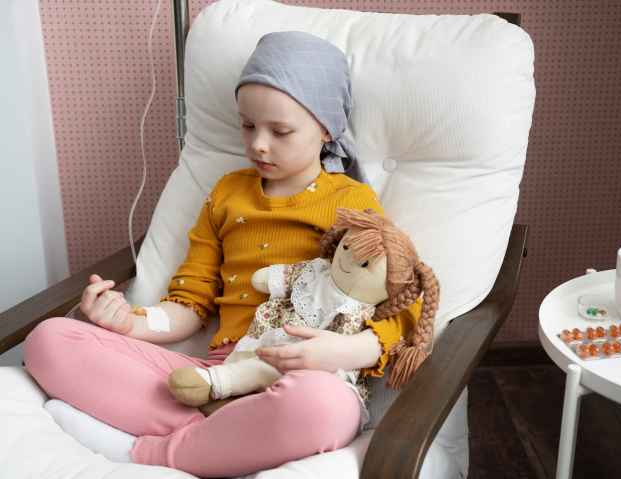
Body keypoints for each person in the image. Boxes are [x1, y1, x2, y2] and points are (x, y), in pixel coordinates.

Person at [23, 31, 421, 478]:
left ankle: (146, 451)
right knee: (48, 339)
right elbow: (189, 303)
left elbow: (402, 298)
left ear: (326, 128)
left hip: (304, 374)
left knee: (325, 408)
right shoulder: (227, 193)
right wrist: (128, 322)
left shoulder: (351, 200)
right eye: (247, 126)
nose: (259, 144)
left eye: (280, 131)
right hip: (218, 374)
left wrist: (347, 351)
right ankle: (220, 436)